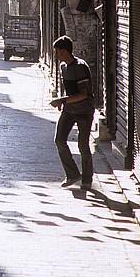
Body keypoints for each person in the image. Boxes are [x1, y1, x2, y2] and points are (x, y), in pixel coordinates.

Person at [49, 36, 95, 190]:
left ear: (63, 51)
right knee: (59, 139)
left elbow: (83, 94)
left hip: (84, 111)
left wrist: (62, 100)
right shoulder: (63, 67)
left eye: (57, 51)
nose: (56, 54)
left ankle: (87, 179)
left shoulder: (80, 67)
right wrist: (64, 103)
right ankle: (73, 174)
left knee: (83, 145)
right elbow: (68, 89)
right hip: (69, 110)